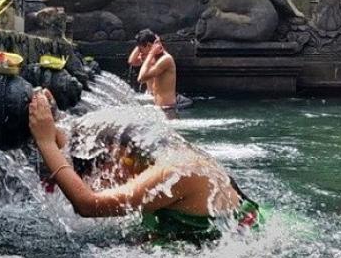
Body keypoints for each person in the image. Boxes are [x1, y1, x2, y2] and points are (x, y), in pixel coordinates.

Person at [28, 91, 260, 242]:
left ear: (119, 152)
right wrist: (53, 118)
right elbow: (83, 152)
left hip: (238, 249)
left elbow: (88, 204)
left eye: (101, 168)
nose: (99, 178)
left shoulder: (174, 171)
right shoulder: (152, 153)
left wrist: (46, 143)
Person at [127, 29, 177, 113]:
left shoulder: (166, 59)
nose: (140, 52)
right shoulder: (151, 58)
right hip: (158, 108)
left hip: (167, 109)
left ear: (149, 45)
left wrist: (151, 52)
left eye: (141, 49)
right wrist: (143, 45)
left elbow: (141, 78)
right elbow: (132, 61)